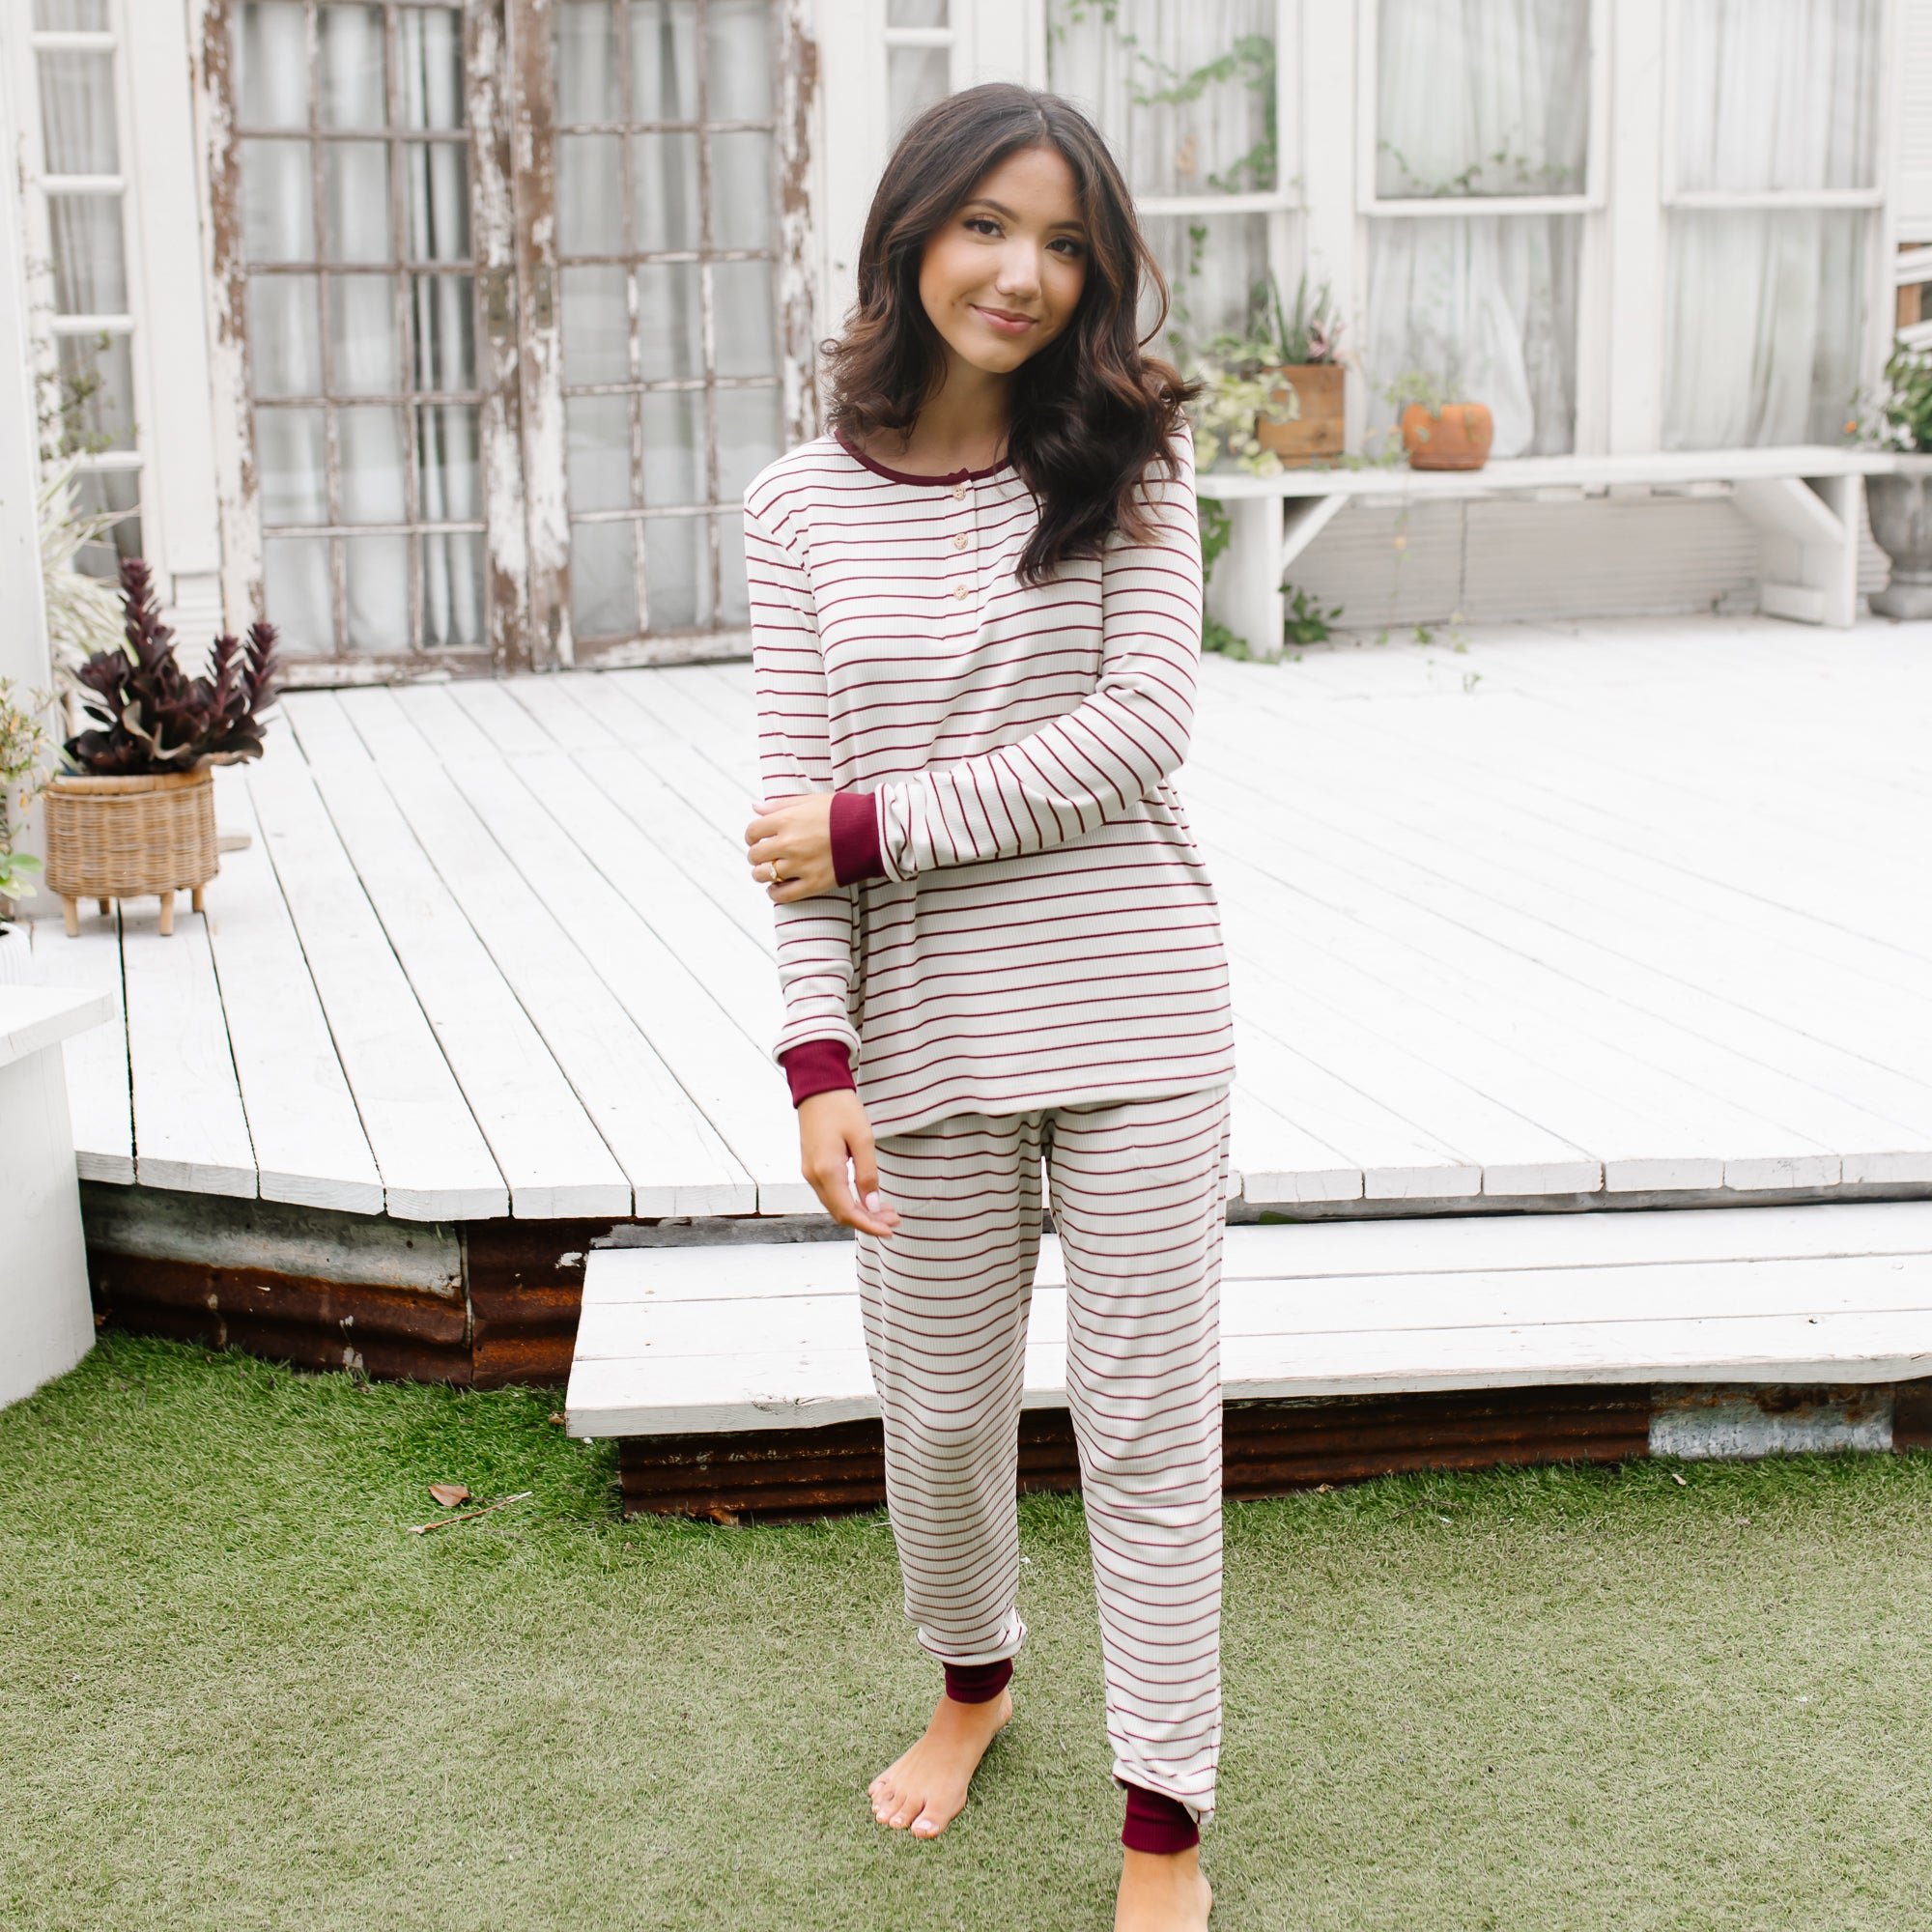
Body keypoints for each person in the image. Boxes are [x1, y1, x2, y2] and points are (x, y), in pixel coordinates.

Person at [739, 81, 1236, 1932]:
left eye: (1064, 245)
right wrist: (817, 1064)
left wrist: (880, 825)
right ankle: (975, 1681)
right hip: (924, 1041)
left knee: (1147, 1432)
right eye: (985, 227)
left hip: (1135, 1021)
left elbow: (1137, 738)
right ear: (912, 234)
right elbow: (789, 819)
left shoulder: (1131, 464)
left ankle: (1163, 1833)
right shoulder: (796, 506)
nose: (1021, 274)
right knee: (936, 1423)